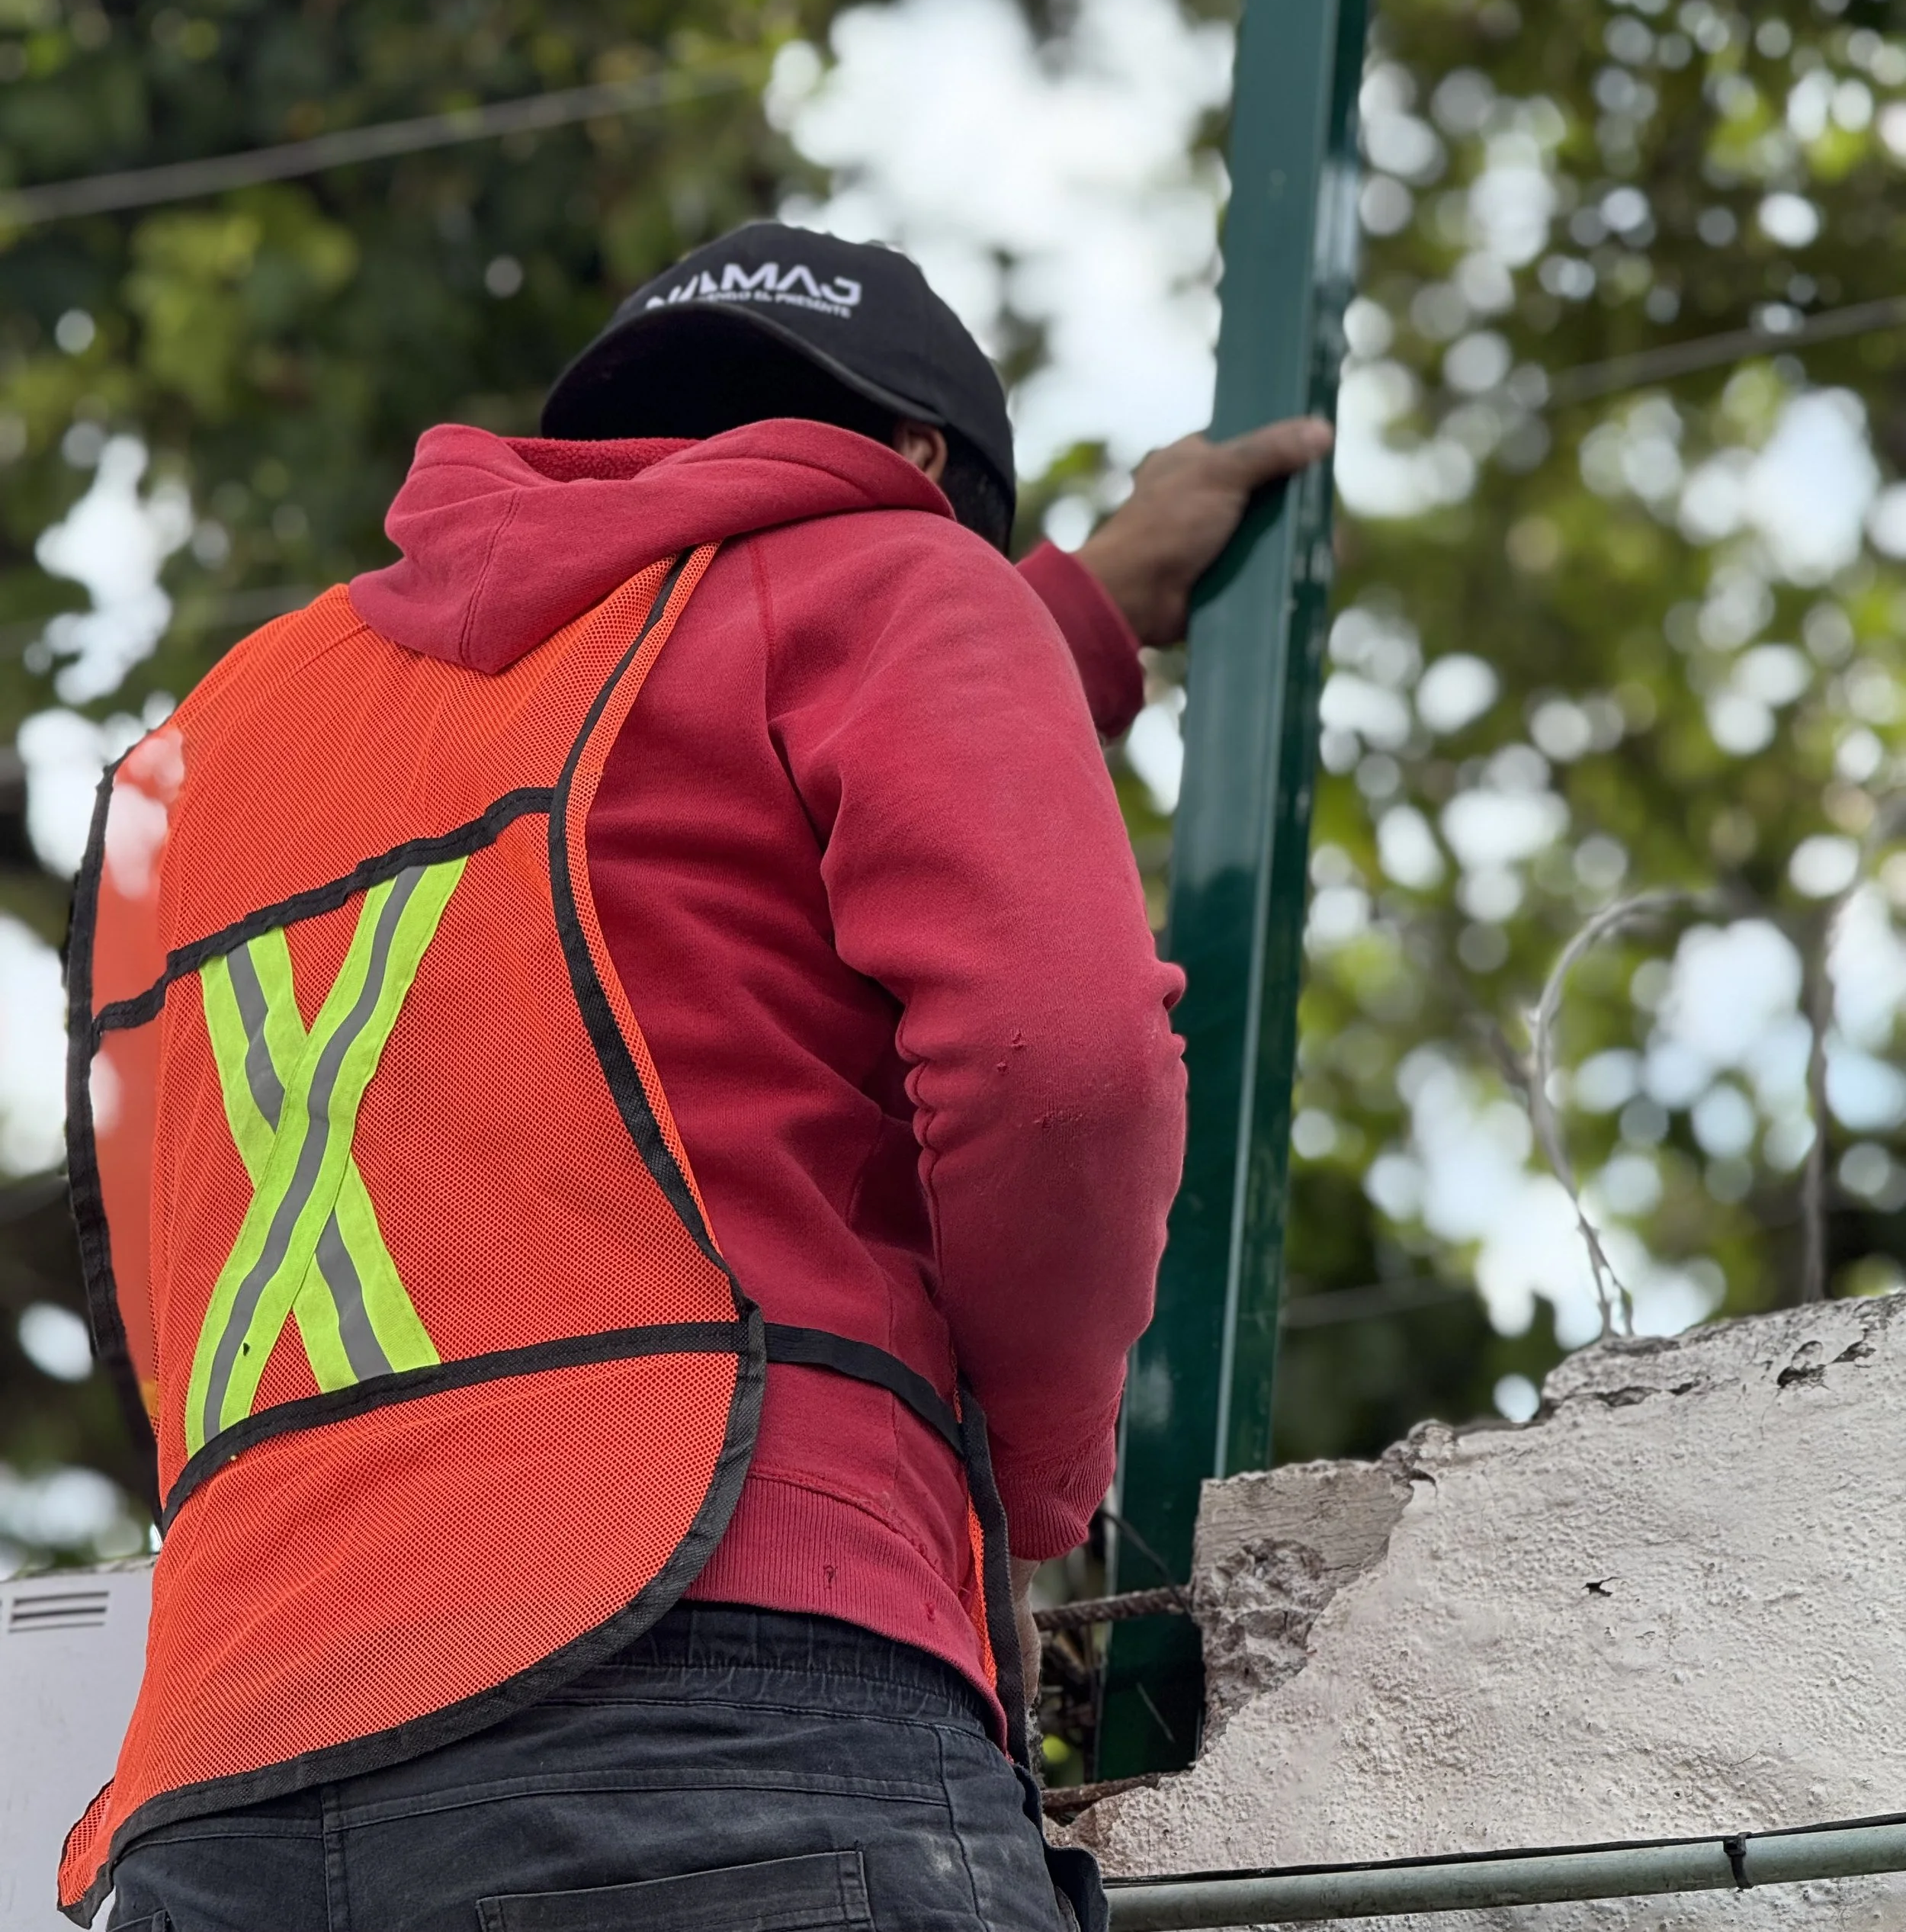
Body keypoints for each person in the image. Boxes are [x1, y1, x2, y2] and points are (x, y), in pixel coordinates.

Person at [63, 224, 1330, 1932]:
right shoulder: (893, 571)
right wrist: (1029, 1483)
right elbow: (1059, 1066)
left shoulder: (227, 738)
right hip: (724, 1684)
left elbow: (627, 799)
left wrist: (1075, 618)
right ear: (916, 467)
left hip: (222, 1786)